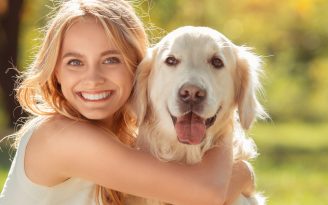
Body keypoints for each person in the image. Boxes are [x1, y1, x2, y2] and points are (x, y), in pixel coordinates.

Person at [0, 0, 255, 204]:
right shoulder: (60, 137)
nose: (93, 79)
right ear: (55, 71)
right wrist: (241, 168)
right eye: (75, 62)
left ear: (137, 67)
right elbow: (206, 194)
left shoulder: (132, 139)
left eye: (111, 59)